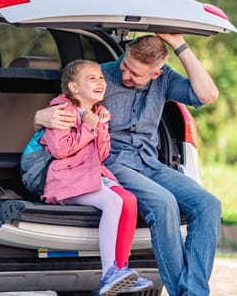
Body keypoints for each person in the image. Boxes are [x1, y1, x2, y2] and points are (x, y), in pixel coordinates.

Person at [35, 34, 222, 296]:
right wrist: (40, 116)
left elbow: (208, 94)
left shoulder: (164, 79)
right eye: (125, 65)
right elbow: (68, 101)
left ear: (156, 74)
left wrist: (179, 44)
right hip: (114, 163)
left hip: (150, 163)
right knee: (164, 204)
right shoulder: (103, 76)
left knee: (209, 205)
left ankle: (193, 291)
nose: (125, 75)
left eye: (135, 74)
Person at [37, 59, 154, 296]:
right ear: (74, 88)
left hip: (89, 176)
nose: (100, 82)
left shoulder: (98, 113)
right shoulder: (61, 111)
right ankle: (108, 273)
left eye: (101, 77)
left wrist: (100, 127)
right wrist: (88, 128)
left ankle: (122, 270)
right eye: (92, 78)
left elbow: (102, 155)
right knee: (113, 201)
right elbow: (61, 150)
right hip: (65, 181)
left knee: (129, 200)